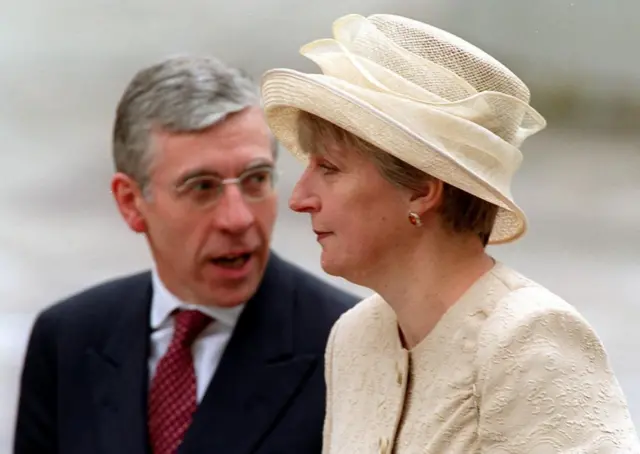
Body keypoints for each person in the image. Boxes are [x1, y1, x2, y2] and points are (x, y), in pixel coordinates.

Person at [260, 13, 640, 453]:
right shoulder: (353, 337)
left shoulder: (527, 338)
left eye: (329, 168)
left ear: (422, 190)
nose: (299, 198)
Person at [14, 55, 357, 454]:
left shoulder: (347, 346)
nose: (238, 218)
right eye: (202, 187)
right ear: (130, 202)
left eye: (256, 179)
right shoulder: (67, 338)